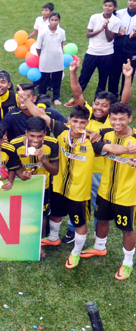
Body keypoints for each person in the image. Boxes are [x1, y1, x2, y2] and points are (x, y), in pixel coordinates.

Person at [20, 94, 133, 270]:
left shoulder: (91, 141)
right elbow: (41, 115)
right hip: (58, 185)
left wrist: (127, 149)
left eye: (82, 123)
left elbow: (110, 148)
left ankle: (76, 251)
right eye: (75, 122)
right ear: (69, 121)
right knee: (56, 214)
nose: (78, 126)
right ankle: (53, 238)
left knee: (79, 222)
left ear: (86, 124)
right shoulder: (60, 131)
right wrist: (26, 101)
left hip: (79, 191)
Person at [61, 58, 117, 243]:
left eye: (104, 106)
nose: (99, 108)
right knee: (76, 201)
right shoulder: (87, 114)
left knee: (97, 205)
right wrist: (73, 73)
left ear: (111, 109)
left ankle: (97, 236)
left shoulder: (113, 123)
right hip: (80, 168)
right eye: (97, 104)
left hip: (100, 173)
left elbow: (124, 102)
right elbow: (77, 93)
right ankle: (72, 229)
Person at [80, 103, 136, 280]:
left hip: (126, 194)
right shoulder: (105, 134)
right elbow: (97, 149)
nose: (117, 122)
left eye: (122, 119)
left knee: (126, 228)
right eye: (114, 118)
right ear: (109, 118)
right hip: (105, 190)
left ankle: (128, 262)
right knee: (102, 219)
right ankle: (99, 247)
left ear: (130, 119)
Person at [11, 116, 59, 237]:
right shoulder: (15, 144)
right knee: (21, 213)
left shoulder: (52, 143)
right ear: (26, 133)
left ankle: (39, 243)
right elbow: (12, 166)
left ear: (45, 133)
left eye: (39, 136)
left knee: (42, 214)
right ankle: (20, 237)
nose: (36, 140)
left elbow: (55, 171)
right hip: (22, 184)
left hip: (43, 185)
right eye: (32, 136)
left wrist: (44, 161)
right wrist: (21, 174)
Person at [75, 0, 121, 101]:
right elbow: (88, 34)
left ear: (114, 8)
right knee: (84, 76)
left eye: (110, 6)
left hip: (107, 54)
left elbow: (110, 39)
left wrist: (106, 28)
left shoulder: (116, 21)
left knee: (103, 80)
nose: (107, 8)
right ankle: (76, 98)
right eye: (105, 5)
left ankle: (98, 101)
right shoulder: (94, 17)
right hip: (92, 52)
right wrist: (101, 29)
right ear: (103, 7)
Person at [0, 83, 67, 141]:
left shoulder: (48, 112)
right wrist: (2, 135)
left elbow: (67, 126)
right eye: (20, 97)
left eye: (26, 97)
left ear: (34, 99)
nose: (22, 100)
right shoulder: (13, 114)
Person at [36, 12, 65, 106]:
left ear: (59, 21)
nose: (54, 22)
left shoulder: (61, 32)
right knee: (44, 79)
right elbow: (38, 47)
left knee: (57, 79)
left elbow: (61, 44)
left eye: (56, 20)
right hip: (45, 60)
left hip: (58, 60)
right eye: (52, 20)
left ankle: (56, 97)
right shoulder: (43, 33)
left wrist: (59, 53)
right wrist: (42, 57)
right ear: (49, 21)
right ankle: (42, 97)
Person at [108, 0, 136, 97]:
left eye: (134, 1)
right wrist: (118, 33)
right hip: (117, 49)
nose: (131, 3)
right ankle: (111, 96)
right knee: (113, 74)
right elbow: (110, 29)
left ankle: (123, 98)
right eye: (130, 0)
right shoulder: (119, 13)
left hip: (132, 51)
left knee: (128, 76)